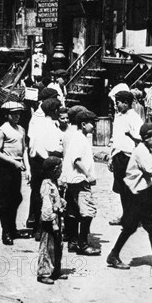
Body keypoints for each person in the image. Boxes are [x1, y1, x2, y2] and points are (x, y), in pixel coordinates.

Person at [107, 123, 152, 270]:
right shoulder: (141, 151)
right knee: (130, 226)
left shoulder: (149, 150)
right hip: (136, 194)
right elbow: (150, 171)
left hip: (145, 191)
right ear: (146, 138)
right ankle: (113, 255)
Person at [61, 109, 101, 256]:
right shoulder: (79, 139)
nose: (94, 126)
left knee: (72, 210)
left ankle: (72, 242)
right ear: (83, 124)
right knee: (87, 211)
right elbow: (76, 160)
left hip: (73, 180)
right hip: (79, 180)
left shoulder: (80, 137)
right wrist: (88, 175)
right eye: (93, 124)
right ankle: (82, 244)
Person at [0, 101, 30, 246]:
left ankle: (13, 228)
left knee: (16, 197)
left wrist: (27, 168)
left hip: (17, 166)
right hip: (5, 167)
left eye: (18, 113)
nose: (16, 116)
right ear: (6, 115)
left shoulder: (21, 129)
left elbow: (24, 149)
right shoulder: (2, 130)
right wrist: (13, 161)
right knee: (4, 201)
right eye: (13, 114)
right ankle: (6, 231)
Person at [28, 97, 63, 240]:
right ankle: (44, 228)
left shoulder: (38, 123)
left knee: (37, 193)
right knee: (48, 195)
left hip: (35, 161)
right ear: (54, 110)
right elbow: (53, 147)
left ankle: (36, 227)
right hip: (46, 162)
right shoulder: (51, 126)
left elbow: (31, 144)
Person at [108, 90, 144, 226]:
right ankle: (125, 216)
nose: (117, 105)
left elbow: (140, 138)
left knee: (130, 189)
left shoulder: (134, 118)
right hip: (118, 155)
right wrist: (111, 157)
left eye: (118, 102)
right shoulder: (118, 117)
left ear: (126, 103)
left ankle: (133, 219)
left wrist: (131, 136)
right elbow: (116, 138)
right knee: (121, 189)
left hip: (129, 157)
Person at [37, 156, 68, 285]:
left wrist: (61, 202)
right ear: (55, 169)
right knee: (47, 247)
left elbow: (56, 199)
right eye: (60, 168)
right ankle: (44, 272)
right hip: (50, 221)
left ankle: (55, 270)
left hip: (57, 219)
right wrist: (52, 221)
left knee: (57, 246)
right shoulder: (47, 185)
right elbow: (46, 206)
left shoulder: (54, 183)